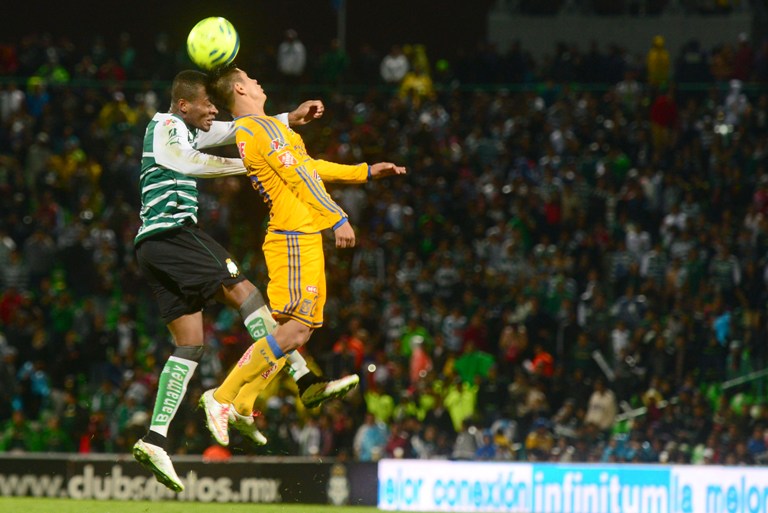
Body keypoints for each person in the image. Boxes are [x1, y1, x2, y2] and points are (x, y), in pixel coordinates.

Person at [131, 70, 359, 493]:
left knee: (190, 343)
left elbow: (237, 129)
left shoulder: (188, 129)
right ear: (183, 104)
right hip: (173, 234)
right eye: (206, 104)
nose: (213, 110)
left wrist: (288, 118)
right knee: (248, 294)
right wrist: (251, 162)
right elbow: (190, 161)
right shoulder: (166, 127)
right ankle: (301, 380)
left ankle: (155, 438)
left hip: (153, 248)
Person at [201, 63, 405, 447]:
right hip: (293, 234)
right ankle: (222, 397)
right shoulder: (260, 129)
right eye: (252, 77)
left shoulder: (265, 128)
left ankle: (243, 403)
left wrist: (365, 172)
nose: (259, 80)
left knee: (295, 332)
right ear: (241, 91)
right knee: (294, 330)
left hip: (300, 234)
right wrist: (337, 217)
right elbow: (299, 178)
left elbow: (308, 167)